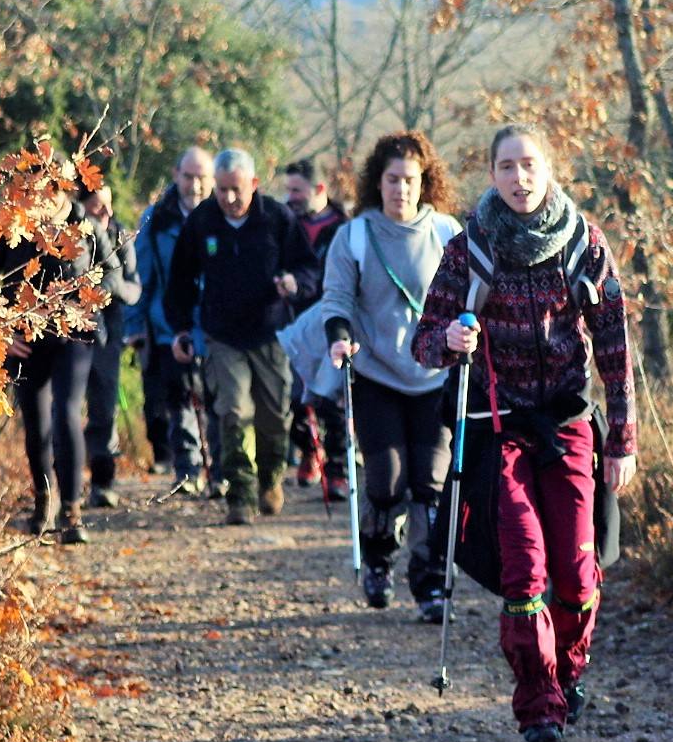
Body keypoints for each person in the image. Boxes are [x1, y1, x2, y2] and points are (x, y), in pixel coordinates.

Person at [411, 124, 636, 742]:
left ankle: (567, 674)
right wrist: (451, 342)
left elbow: (615, 348)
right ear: (492, 176)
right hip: (498, 429)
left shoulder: (584, 242)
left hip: (567, 424)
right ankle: (538, 704)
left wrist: (622, 440)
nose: (518, 178)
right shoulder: (469, 249)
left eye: (528, 165)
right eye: (506, 167)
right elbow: (423, 341)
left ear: (548, 169)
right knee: (526, 568)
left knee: (576, 570)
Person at [315, 132, 463, 620]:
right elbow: (336, 298)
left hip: (436, 377)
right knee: (386, 480)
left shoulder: (445, 234)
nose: (401, 189)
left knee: (432, 483)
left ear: (426, 183)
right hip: (376, 374)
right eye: (392, 180)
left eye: (411, 180)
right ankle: (378, 561)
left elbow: (470, 300)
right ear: (376, 183)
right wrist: (340, 336)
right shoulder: (354, 235)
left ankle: (430, 585)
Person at [164, 148, 321, 526]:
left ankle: (269, 478)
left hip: (270, 333)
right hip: (223, 336)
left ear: (253, 184)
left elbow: (308, 268)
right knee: (233, 413)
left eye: (236, 189)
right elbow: (180, 279)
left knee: (273, 418)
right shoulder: (203, 222)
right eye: (221, 190)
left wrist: (294, 283)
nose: (229, 199)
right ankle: (240, 494)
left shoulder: (277, 219)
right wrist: (182, 328)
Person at [0, 184, 137, 545]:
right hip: (26, 341)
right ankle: (43, 505)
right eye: (33, 190)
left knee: (66, 414)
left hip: (74, 337)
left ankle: (72, 510)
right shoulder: (10, 228)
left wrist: (88, 298)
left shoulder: (85, 225)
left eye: (52, 188)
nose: (42, 198)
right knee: (37, 424)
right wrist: (1, 332)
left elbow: (113, 276)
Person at [135, 148, 221, 496]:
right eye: (189, 177)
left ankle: (220, 469)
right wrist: (135, 325)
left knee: (217, 398)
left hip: (216, 323)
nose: (196, 185)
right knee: (180, 399)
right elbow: (142, 275)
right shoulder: (156, 220)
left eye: (202, 177)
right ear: (176, 174)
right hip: (167, 325)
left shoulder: (222, 216)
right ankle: (187, 469)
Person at [282, 158, 350, 497]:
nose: (289, 196)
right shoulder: (284, 224)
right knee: (293, 398)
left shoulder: (343, 227)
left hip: (332, 324)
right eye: (288, 189)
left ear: (319, 189)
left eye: (296, 190)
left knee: (333, 400)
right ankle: (309, 452)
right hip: (290, 322)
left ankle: (337, 470)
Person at [80, 184, 141, 510]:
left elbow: (134, 290)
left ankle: (103, 482)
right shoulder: (70, 237)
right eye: (95, 206)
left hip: (110, 332)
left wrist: (112, 287)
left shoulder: (122, 238)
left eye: (108, 205)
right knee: (68, 408)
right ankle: (69, 483)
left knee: (104, 407)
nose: (104, 213)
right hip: (74, 332)